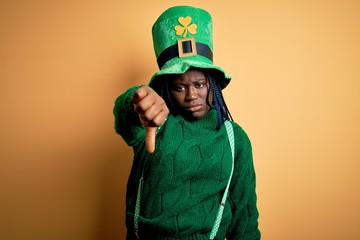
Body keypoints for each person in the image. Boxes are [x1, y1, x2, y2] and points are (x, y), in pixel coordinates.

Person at [113, 6, 261, 240]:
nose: (191, 96)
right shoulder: (154, 123)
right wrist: (137, 100)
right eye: (179, 87)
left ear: (212, 84)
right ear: (166, 89)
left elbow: (245, 217)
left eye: (199, 85)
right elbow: (126, 123)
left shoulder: (235, 139)